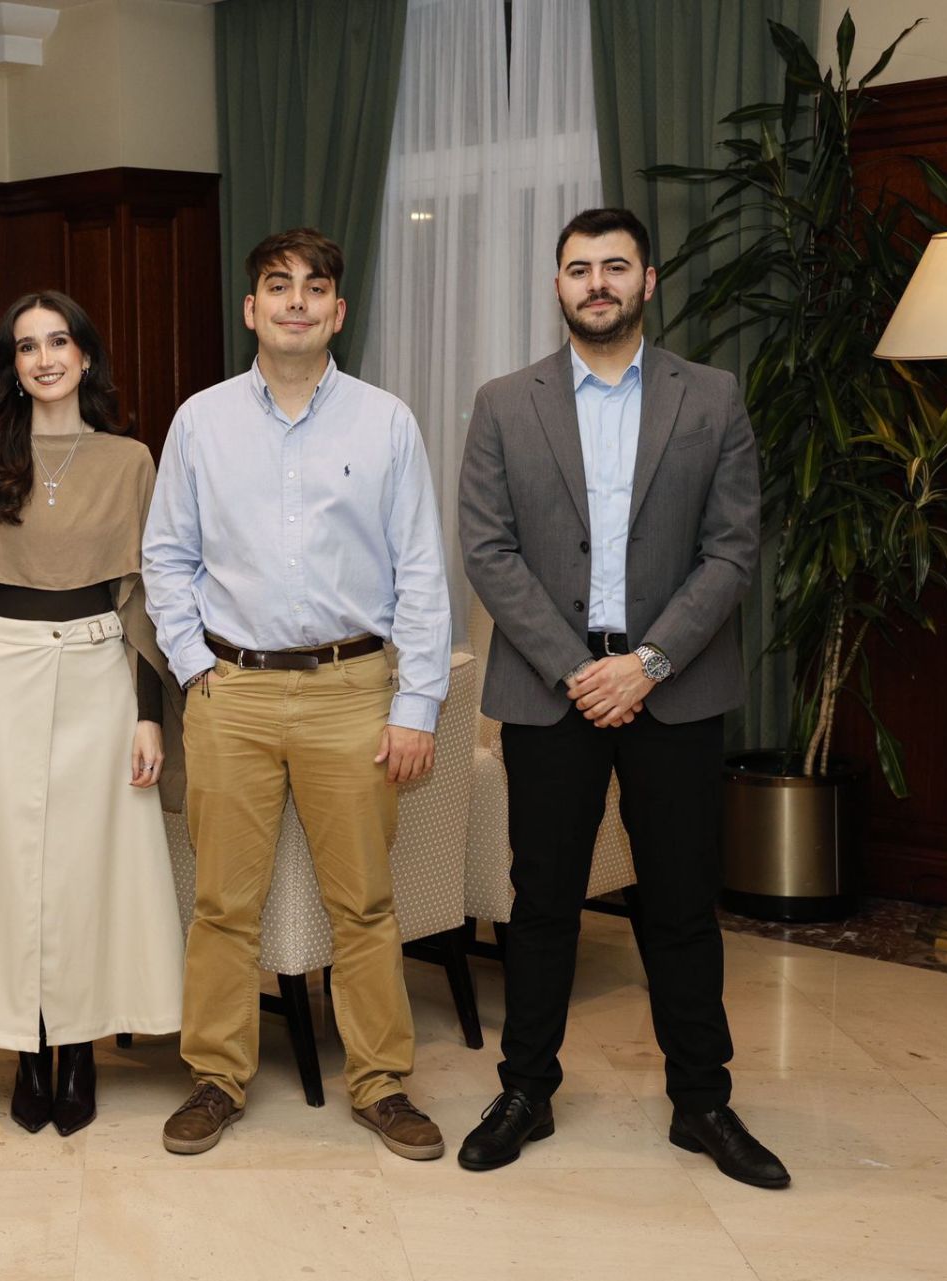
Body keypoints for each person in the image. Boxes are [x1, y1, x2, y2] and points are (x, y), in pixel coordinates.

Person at [456, 208, 788, 1189]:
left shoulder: (713, 398)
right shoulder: (504, 403)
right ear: (555, 287)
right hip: (551, 691)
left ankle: (705, 1103)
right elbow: (489, 549)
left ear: (650, 280)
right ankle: (526, 1091)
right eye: (576, 268)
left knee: (682, 907)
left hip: (672, 692)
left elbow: (733, 549)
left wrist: (647, 662)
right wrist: (577, 668)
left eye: (614, 266)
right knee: (543, 903)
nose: (595, 282)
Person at [143, 228, 452, 1160]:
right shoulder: (199, 421)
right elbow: (166, 558)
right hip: (230, 691)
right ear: (252, 309)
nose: (295, 303)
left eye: (314, 289)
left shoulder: (386, 422)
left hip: (351, 691)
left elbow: (422, 573)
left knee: (363, 903)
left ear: (337, 312)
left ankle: (382, 1083)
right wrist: (196, 669)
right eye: (277, 287)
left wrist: (416, 705)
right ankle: (215, 1076)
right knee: (223, 906)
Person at [0, 291, 184, 1137]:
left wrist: (149, 716)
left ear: (85, 354)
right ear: (12, 365)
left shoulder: (131, 460)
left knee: (90, 867)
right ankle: (24, 1047)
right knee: (8, 865)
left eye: (58, 341)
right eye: (25, 346)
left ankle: (77, 1047)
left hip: (105, 673)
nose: (43, 358)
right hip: (3, 671)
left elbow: (148, 598)